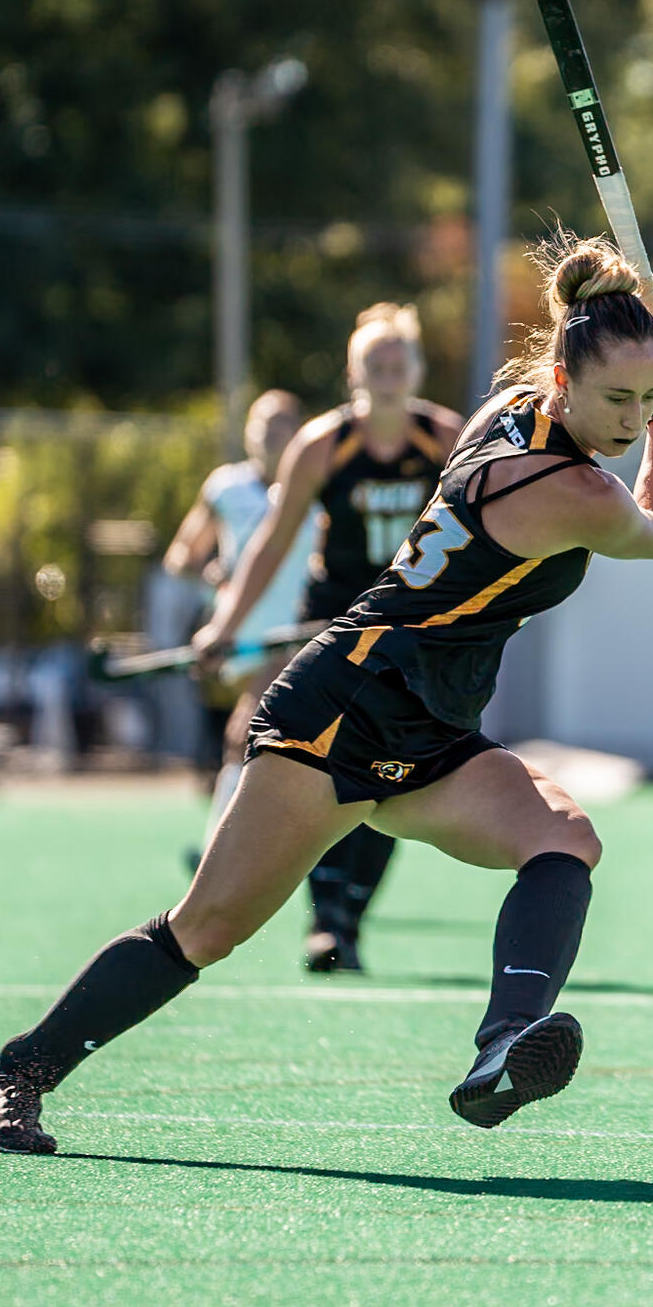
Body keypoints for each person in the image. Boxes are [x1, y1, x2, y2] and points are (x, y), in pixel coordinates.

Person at [0, 234, 653, 1155]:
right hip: (342, 707)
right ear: (561, 379)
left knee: (565, 838)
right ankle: (12, 1078)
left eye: (645, 400)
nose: (633, 417)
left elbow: (644, 496)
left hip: (434, 727)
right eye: (618, 400)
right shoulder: (567, 486)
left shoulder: (509, 412)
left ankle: (502, 1048)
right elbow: (647, 534)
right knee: (206, 928)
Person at [197, 305, 462, 973]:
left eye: (399, 363)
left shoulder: (447, 440)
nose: (388, 375)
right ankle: (326, 919)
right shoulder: (321, 443)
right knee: (312, 770)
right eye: (375, 364)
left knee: (394, 777)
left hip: (409, 632)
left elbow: (484, 533)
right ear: (354, 373)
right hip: (333, 625)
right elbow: (272, 539)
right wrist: (225, 626)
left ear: (418, 370)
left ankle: (345, 915)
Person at [161, 389, 307, 804]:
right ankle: (225, 851)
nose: (270, 435)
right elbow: (181, 555)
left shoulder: (317, 487)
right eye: (262, 424)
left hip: (303, 631)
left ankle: (235, 852)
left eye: (281, 424)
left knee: (257, 735)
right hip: (244, 634)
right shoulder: (226, 488)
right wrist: (209, 572)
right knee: (248, 735)